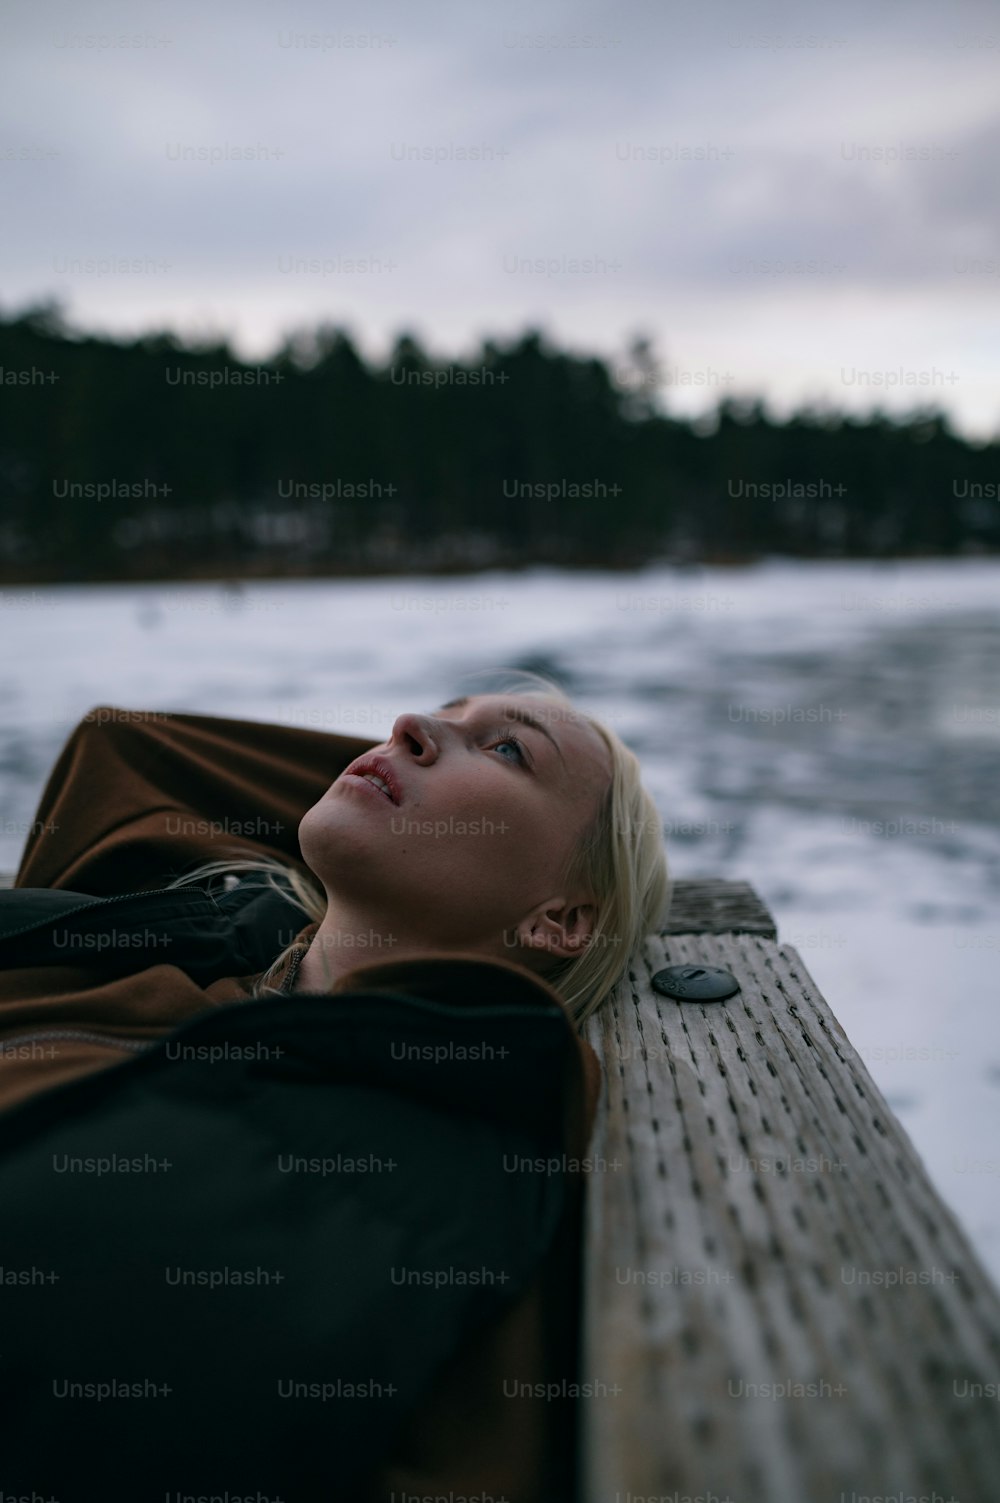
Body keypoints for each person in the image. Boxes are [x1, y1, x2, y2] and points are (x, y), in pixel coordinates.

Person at [0, 667, 670, 1502]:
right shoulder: (229, 910)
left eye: (507, 749)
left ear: (561, 919)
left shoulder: (434, 1130)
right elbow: (121, 738)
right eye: (438, 713)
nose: (408, 723)